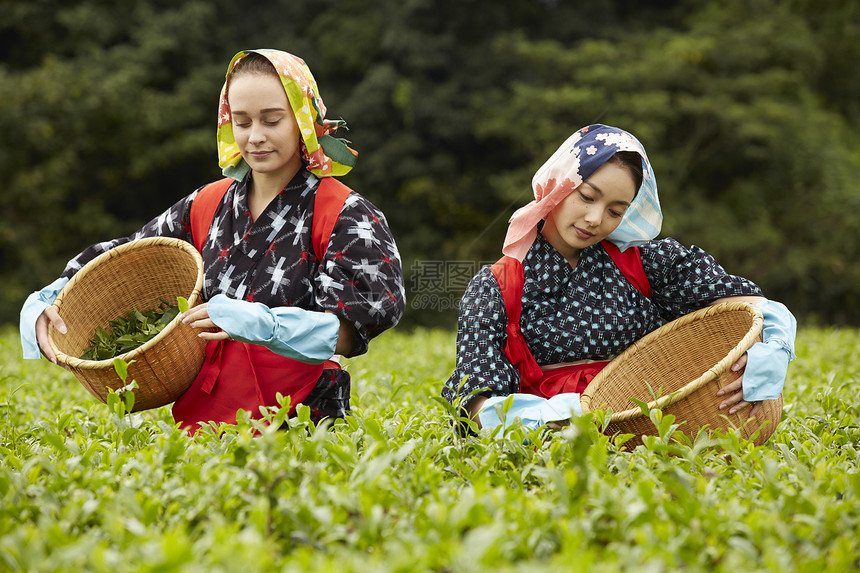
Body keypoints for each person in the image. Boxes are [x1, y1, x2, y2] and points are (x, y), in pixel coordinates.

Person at [21, 49, 406, 432]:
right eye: (242, 122)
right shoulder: (208, 203)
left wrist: (265, 324)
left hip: (305, 419)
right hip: (204, 423)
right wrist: (53, 296)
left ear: (304, 120)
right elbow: (133, 256)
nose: (255, 137)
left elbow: (348, 330)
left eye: (272, 120)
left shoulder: (344, 213)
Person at [442, 124, 796, 434]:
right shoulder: (495, 287)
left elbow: (752, 307)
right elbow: (476, 400)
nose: (595, 219)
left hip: (650, 428)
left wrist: (773, 349)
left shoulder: (647, 263)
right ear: (559, 185)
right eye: (586, 196)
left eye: (615, 211)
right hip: (553, 442)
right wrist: (558, 416)